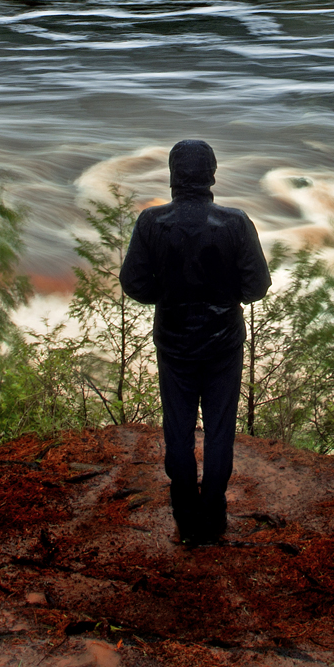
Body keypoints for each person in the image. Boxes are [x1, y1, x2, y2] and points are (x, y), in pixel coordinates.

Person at [119, 139, 271, 546]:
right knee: (220, 430)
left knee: (179, 431)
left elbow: (134, 283)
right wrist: (224, 296)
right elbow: (257, 286)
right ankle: (214, 515)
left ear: (173, 175)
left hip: (174, 342)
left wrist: (168, 297)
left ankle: (186, 519)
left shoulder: (151, 223)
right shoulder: (235, 222)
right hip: (223, 345)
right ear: (211, 175)